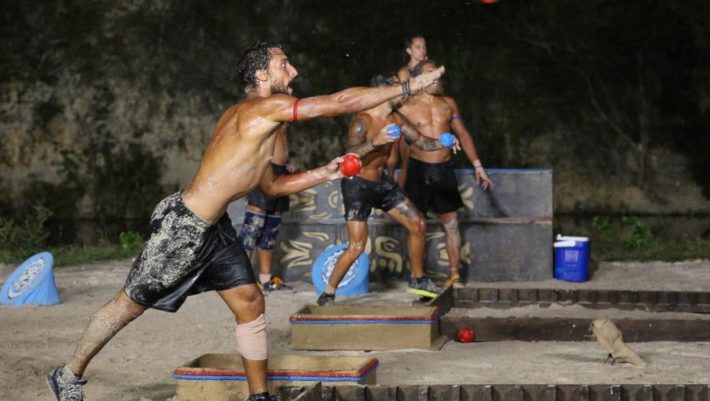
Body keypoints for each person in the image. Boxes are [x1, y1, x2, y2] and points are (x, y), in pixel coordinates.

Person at [46, 41, 445, 401]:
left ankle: (260, 396)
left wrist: (325, 172)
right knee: (130, 305)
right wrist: (408, 87)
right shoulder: (258, 108)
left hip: (215, 228)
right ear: (261, 76)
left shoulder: (264, 126)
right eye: (284, 64)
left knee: (251, 302)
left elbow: (272, 186)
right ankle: (67, 374)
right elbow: (339, 102)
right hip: (183, 226)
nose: (294, 71)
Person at [317, 74, 456, 306]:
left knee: (418, 224)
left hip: (382, 183)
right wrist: (376, 142)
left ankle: (419, 281)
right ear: (383, 93)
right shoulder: (362, 120)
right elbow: (349, 156)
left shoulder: (396, 118)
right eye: (398, 89)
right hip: (357, 185)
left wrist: (443, 142)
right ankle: (328, 292)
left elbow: (421, 141)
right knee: (357, 247)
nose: (403, 92)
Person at [395, 59, 493, 289]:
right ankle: (416, 276)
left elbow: (463, 135)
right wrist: (399, 173)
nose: (436, 77)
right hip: (418, 170)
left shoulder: (449, 104)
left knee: (451, 224)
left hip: (444, 170)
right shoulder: (406, 107)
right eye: (431, 72)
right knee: (416, 225)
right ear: (420, 79)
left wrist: (478, 166)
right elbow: (400, 145)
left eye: (437, 73)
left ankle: (454, 276)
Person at [240, 124, 294, 291]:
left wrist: (286, 164)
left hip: (280, 174)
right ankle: (240, 281)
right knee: (251, 231)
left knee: (270, 233)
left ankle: (265, 280)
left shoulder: (284, 125)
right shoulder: (268, 118)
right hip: (264, 171)